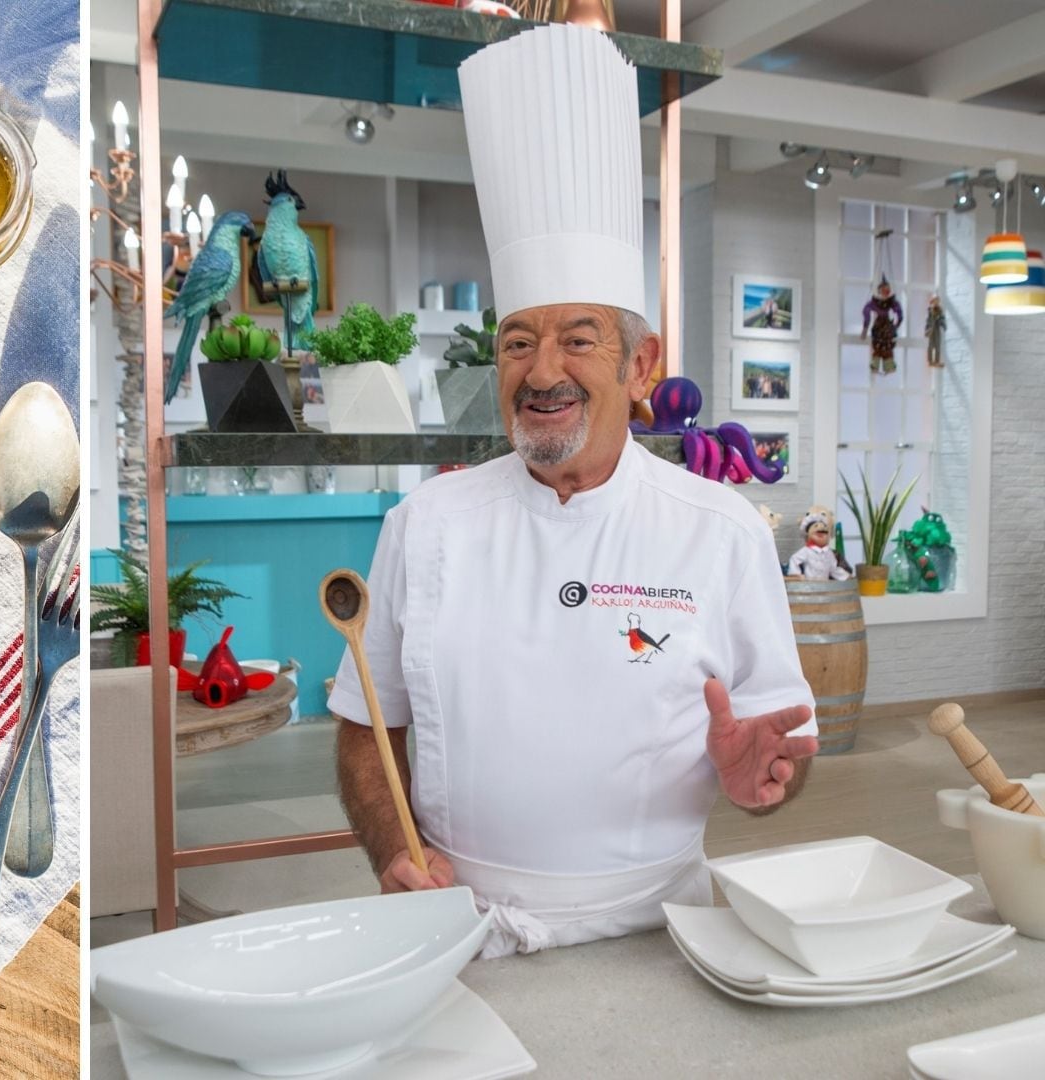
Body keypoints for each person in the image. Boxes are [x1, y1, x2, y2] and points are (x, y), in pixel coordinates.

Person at [328, 24, 819, 961]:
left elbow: (775, 747)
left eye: (578, 339)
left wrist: (767, 775)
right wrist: (394, 851)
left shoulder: (722, 532)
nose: (542, 370)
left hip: (668, 934)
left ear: (642, 366)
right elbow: (366, 728)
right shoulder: (422, 526)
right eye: (518, 341)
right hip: (460, 930)